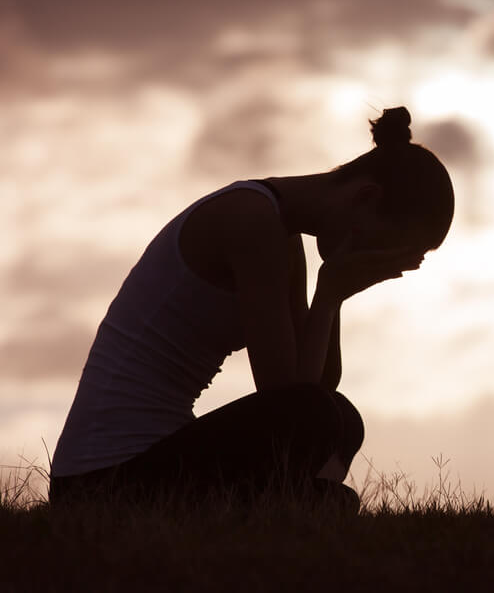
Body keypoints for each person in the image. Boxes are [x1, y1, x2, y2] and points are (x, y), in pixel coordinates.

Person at [48, 107, 454, 510]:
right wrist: (328, 293)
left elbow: (317, 387)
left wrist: (336, 296)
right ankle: (292, 508)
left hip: (140, 467)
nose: (373, 256)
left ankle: (291, 507)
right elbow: (287, 400)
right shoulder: (253, 221)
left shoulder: (281, 231)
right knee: (322, 426)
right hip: (98, 483)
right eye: (382, 243)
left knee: (343, 421)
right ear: (366, 197)